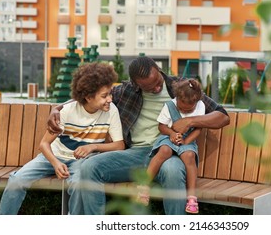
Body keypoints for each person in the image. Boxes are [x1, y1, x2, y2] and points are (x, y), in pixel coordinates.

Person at [47, 56, 230, 215]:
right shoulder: (126, 91)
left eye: (157, 82)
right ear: (136, 84)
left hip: (169, 152)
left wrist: (191, 121)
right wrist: (58, 108)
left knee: (173, 171)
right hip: (136, 154)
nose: (157, 88)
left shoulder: (181, 87)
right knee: (89, 167)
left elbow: (222, 116)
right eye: (150, 87)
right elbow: (91, 95)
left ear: (158, 70)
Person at [0, 62, 125, 215]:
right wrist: (56, 163)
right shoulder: (66, 111)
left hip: (81, 162)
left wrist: (92, 147)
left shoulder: (111, 111)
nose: (110, 99)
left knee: (80, 186)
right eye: (104, 96)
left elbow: (119, 145)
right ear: (88, 97)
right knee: (17, 180)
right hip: (53, 156)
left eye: (110, 93)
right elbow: (44, 144)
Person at [137, 78, 204, 214]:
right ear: (177, 98)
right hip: (169, 137)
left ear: (196, 102)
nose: (184, 111)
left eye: (188, 110)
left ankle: (191, 198)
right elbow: (161, 126)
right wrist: (172, 133)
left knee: (189, 156)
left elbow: (198, 129)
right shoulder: (169, 106)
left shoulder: (200, 106)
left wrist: (187, 141)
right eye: (181, 108)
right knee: (164, 150)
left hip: (187, 140)